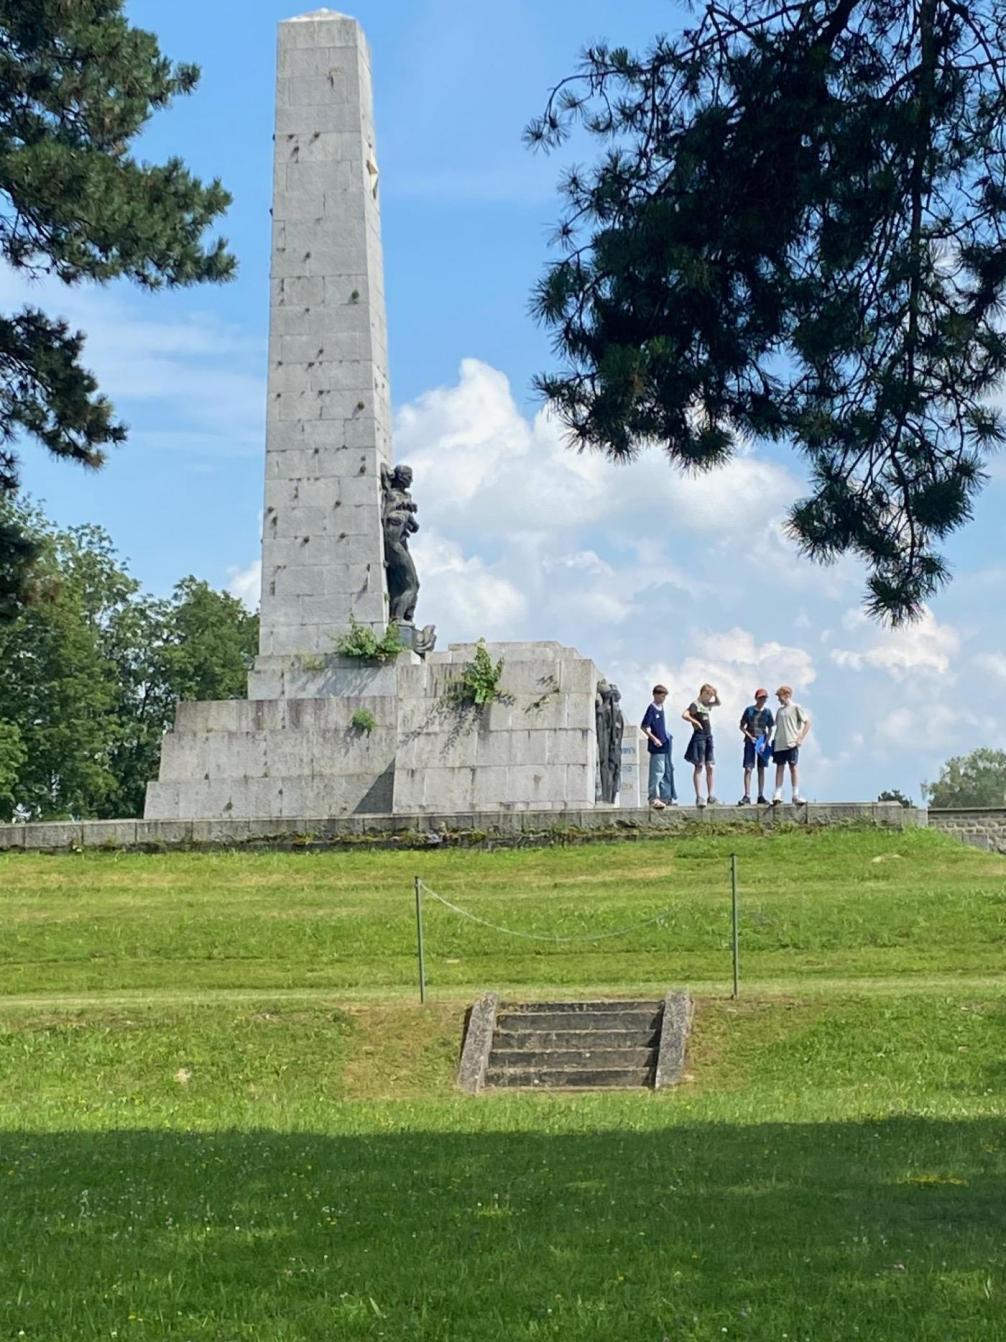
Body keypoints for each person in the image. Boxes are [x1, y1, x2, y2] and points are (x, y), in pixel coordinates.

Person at [771, 685, 811, 804]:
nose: (778, 699)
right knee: (779, 767)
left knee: (793, 767)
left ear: (786, 695)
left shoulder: (796, 708)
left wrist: (800, 738)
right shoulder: (779, 711)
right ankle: (778, 793)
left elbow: (807, 722)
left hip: (791, 742)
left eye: (780, 696)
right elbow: (776, 725)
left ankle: (795, 794)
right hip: (779, 743)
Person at [682, 683, 720, 806]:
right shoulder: (695, 704)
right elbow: (685, 714)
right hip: (699, 737)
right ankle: (699, 796)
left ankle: (711, 795)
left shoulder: (706, 704)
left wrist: (716, 694)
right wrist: (694, 721)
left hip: (708, 736)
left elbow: (718, 703)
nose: (710, 699)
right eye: (709, 696)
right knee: (699, 766)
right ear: (703, 693)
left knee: (710, 766)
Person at [640, 684, 677, 809]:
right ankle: (653, 798)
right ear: (655, 695)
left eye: (664, 696)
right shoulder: (652, 708)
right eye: (661, 696)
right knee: (657, 771)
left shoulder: (661, 708)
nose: (663, 698)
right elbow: (645, 726)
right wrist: (654, 739)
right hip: (657, 745)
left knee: (666, 771)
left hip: (665, 743)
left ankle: (665, 797)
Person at [738, 688, 774, 805]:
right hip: (750, 741)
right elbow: (741, 726)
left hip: (762, 741)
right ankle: (747, 795)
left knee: (761, 769)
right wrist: (749, 736)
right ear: (756, 698)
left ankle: (760, 795)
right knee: (748, 768)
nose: (762, 700)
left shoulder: (767, 712)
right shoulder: (749, 710)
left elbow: (770, 728)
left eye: (764, 698)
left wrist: (765, 742)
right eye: (760, 698)